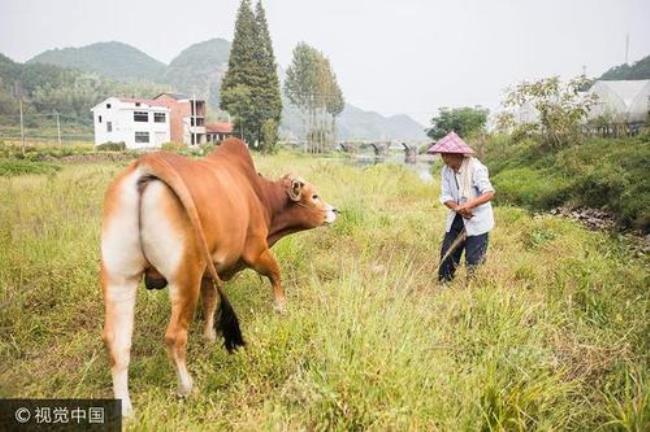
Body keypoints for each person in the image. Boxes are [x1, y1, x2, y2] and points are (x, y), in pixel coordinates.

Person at [427, 132, 495, 282]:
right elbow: (445, 196)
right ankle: (444, 283)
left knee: (474, 259)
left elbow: (489, 193)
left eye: (447, 155)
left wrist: (468, 205)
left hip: (477, 219)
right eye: (442, 155)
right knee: (448, 253)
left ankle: (473, 287)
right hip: (458, 216)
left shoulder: (476, 168)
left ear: (458, 154)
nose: (444, 158)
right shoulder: (446, 170)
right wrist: (458, 208)